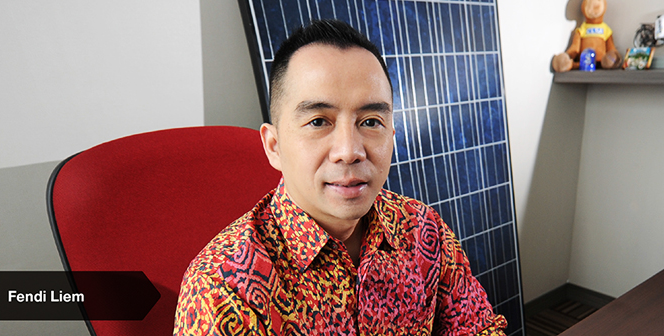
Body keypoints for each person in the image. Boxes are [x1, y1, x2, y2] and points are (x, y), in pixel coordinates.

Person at [174, 19, 507, 335]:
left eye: (370, 121)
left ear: (392, 134)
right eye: (319, 121)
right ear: (274, 146)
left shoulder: (422, 228)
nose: (349, 151)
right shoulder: (223, 287)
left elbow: (478, 327)